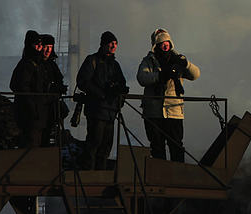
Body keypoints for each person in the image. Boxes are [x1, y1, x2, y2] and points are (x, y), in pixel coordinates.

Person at [136, 28, 200, 162]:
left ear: (171, 43)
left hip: (174, 111)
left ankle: (178, 176)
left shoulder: (178, 60)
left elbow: (195, 75)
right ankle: (159, 178)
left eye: (167, 42)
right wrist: (160, 76)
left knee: (176, 145)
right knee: (157, 147)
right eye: (161, 43)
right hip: (153, 113)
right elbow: (142, 78)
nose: (165, 45)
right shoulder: (148, 61)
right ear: (156, 45)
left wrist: (186, 64)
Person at [76, 31, 129, 169]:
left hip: (110, 111)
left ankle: (100, 175)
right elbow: (82, 81)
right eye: (111, 43)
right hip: (97, 110)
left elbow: (122, 84)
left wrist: (118, 95)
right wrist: (101, 94)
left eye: (115, 43)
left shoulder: (115, 65)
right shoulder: (92, 60)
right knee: (94, 144)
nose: (114, 45)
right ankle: (90, 176)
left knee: (106, 146)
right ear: (104, 44)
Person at [10, 30, 45, 147]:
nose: (40, 46)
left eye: (40, 43)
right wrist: (32, 106)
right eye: (36, 44)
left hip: (36, 112)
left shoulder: (36, 64)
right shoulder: (27, 65)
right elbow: (20, 86)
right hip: (30, 114)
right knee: (31, 144)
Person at [39, 34, 68, 144]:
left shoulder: (52, 65)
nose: (48, 50)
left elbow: (59, 79)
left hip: (50, 106)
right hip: (40, 107)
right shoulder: (35, 64)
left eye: (50, 47)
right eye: (46, 46)